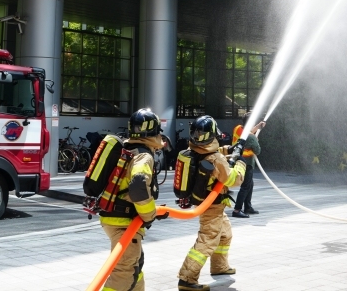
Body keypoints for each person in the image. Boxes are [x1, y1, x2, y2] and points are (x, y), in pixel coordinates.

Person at [177, 116, 247, 291]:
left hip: (212, 205)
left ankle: (219, 266)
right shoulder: (215, 159)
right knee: (207, 242)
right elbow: (234, 179)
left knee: (225, 234)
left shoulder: (195, 148)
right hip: (212, 206)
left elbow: (213, 152)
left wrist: (229, 150)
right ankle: (186, 279)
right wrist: (240, 164)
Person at [99, 108, 165, 291]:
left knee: (135, 266)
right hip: (125, 221)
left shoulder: (127, 150)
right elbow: (138, 185)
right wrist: (150, 215)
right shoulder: (143, 155)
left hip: (114, 217)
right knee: (124, 272)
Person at [231, 121, 265, 218]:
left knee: (250, 184)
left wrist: (257, 127)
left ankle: (248, 207)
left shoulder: (238, 129)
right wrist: (256, 140)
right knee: (246, 186)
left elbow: (248, 131)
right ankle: (237, 210)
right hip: (247, 163)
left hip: (238, 161)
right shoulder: (251, 137)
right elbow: (257, 151)